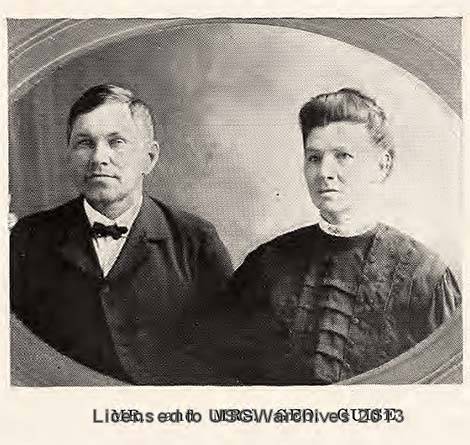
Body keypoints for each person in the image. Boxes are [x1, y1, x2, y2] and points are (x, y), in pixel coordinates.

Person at [194, 88, 461, 385]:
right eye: (314, 157)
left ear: (382, 165)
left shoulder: (425, 276)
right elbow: (217, 371)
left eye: (343, 156)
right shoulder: (266, 264)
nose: (324, 172)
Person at [10, 84, 233, 385]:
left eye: (116, 142)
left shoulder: (196, 241)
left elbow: (227, 354)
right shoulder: (27, 238)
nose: (98, 158)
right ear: (69, 155)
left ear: (149, 158)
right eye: (84, 143)